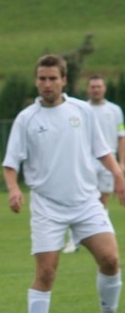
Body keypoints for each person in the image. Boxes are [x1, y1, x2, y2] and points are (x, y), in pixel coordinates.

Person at [3, 54, 125, 313]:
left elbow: (102, 150)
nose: (47, 84)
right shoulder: (26, 118)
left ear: (64, 81)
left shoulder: (82, 111)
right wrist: (13, 188)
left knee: (110, 260)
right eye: (42, 79)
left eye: (52, 78)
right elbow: (10, 163)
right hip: (48, 206)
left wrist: (119, 177)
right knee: (46, 273)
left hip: (86, 201)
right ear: (37, 81)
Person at [63, 75, 125, 253]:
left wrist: (122, 162)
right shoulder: (80, 109)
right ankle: (73, 240)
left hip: (108, 160)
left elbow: (121, 137)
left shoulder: (114, 110)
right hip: (86, 160)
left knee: (102, 200)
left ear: (104, 88)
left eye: (99, 86)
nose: (96, 90)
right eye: (93, 87)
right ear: (88, 89)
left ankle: (101, 237)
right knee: (80, 198)